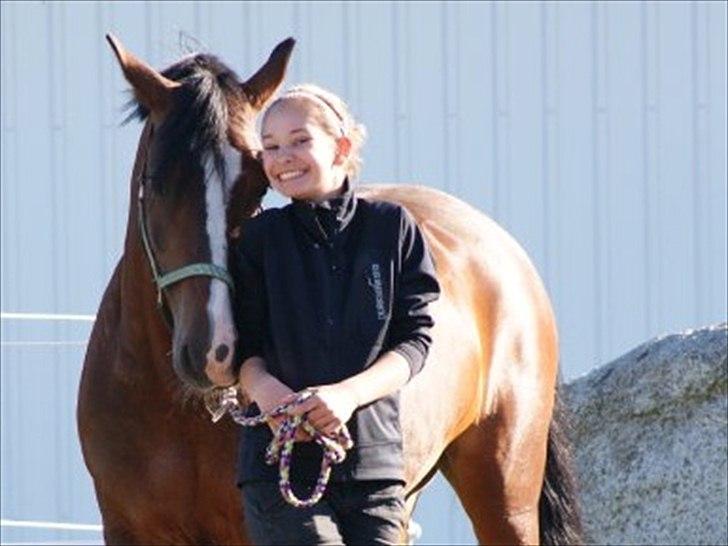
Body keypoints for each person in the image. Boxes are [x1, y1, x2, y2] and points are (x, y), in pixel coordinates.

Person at [233, 83, 440, 545]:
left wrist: (346, 396)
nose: (283, 155)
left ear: (342, 147)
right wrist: (267, 393)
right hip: (277, 467)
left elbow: (415, 339)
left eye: (300, 140)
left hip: (375, 469)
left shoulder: (393, 228)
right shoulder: (258, 241)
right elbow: (243, 347)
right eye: (270, 147)